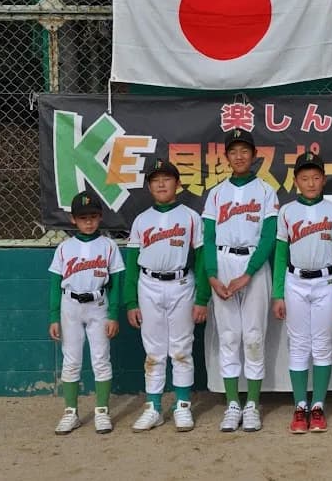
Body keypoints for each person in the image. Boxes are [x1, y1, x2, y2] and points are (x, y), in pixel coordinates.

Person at [123, 158, 210, 432]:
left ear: (178, 184)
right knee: (154, 351)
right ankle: (154, 407)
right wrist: (130, 301)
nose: (161, 183)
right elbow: (132, 262)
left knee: (181, 349)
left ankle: (182, 404)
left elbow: (201, 260)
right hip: (148, 284)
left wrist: (202, 298)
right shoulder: (141, 220)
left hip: (182, 283)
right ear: (149, 186)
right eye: (155, 180)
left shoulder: (190, 217)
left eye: (167, 178)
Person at [203, 129, 278, 432]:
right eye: (233, 151)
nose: (239, 156)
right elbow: (208, 238)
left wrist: (249, 273)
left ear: (254, 155)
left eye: (244, 151)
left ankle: (253, 404)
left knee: (254, 338)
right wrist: (211, 275)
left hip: (253, 266)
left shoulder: (265, 191)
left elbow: (269, 236)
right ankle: (233, 403)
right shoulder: (216, 193)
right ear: (226, 157)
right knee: (229, 338)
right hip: (222, 262)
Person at [272, 151, 332, 434]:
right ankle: (299, 406)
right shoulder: (287, 211)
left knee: (322, 345)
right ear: (296, 181)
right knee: (299, 345)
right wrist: (277, 294)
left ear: (323, 179)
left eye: (316, 177)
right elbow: (280, 256)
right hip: (295, 281)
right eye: (305, 178)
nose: (311, 182)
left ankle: (318, 406)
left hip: (326, 283)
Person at [48, 191, 124, 435]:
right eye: (83, 218)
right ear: (73, 220)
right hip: (70, 305)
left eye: (92, 216)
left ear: (100, 217)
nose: (88, 221)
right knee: (71, 361)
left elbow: (117, 281)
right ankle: (71, 411)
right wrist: (53, 316)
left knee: (101, 359)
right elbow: (54, 283)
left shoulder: (109, 246)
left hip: (98, 304)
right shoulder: (64, 247)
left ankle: (102, 410)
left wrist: (114, 314)